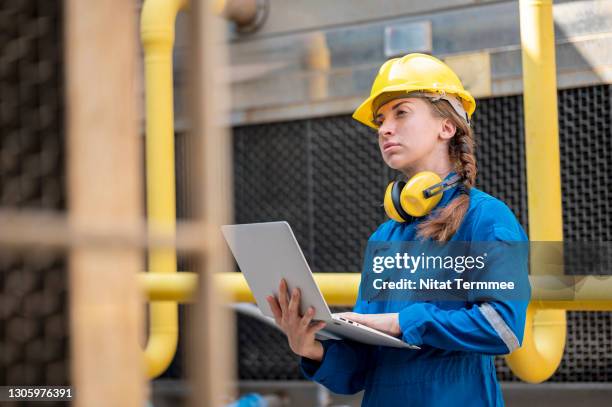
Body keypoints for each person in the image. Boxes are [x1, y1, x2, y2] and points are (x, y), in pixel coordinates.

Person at [265, 53, 529, 406]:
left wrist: (402, 322)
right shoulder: (384, 238)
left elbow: (504, 327)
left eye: (401, 112)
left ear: (446, 127)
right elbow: (359, 370)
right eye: (380, 120)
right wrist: (310, 347)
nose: (385, 128)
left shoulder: (486, 219)